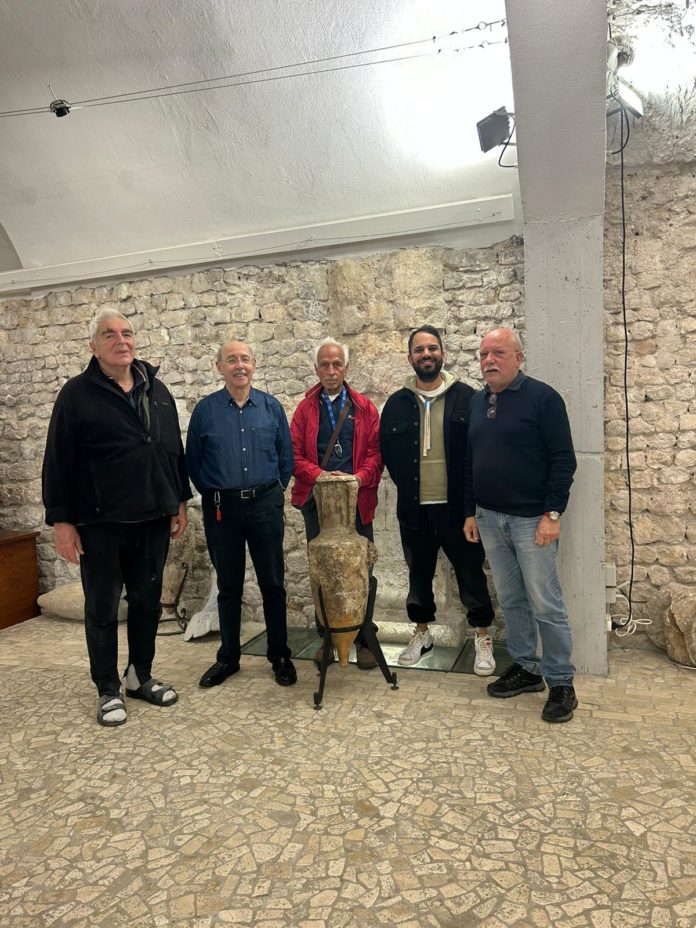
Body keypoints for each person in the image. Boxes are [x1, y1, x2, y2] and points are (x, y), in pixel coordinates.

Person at [42, 310, 191, 727]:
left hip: (153, 518)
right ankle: (107, 687)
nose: (121, 340)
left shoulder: (157, 389)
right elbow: (57, 460)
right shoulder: (76, 394)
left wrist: (178, 499)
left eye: (127, 333)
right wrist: (62, 521)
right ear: (94, 346)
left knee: (146, 603)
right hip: (100, 523)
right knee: (103, 608)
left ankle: (139, 676)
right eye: (109, 334)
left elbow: (171, 450)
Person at [463, 327, 578, 723]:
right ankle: (527, 668)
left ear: (518, 358)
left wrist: (552, 514)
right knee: (511, 599)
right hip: (489, 519)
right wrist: (470, 512)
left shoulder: (543, 399)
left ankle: (561, 681)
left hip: (532, 521)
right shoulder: (478, 403)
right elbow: (470, 460)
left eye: (497, 353)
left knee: (545, 603)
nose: (488, 361)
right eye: (483, 354)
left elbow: (563, 460)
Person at [380, 325, 495, 670]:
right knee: (418, 577)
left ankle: (483, 637)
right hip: (414, 510)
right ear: (410, 357)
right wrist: (410, 488)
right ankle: (422, 633)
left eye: (432, 348)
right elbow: (388, 453)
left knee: (471, 574)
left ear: (442, 353)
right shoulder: (397, 404)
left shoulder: (468, 398)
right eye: (419, 350)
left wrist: (471, 507)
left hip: (458, 510)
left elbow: (479, 452)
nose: (426, 354)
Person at [186, 339, 297, 688]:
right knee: (228, 586)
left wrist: (274, 491)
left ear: (254, 365)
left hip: (265, 504)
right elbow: (193, 461)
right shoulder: (205, 411)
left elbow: (286, 457)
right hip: (223, 508)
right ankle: (228, 658)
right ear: (219, 366)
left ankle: (280, 655)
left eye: (245, 359)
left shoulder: (270, 407)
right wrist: (215, 492)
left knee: (273, 584)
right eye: (231, 359)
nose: (239, 365)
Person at [290, 337, 383, 669]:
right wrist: (319, 475)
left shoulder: (365, 408)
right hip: (317, 502)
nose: (331, 370)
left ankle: (364, 638)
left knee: (361, 570)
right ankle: (327, 638)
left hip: (357, 501)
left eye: (337, 364)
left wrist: (357, 478)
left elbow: (376, 453)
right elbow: (293, 454)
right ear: (316, 369)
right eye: (325, 365)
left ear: (346, 368)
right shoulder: (304, 410)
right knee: (324, 572)